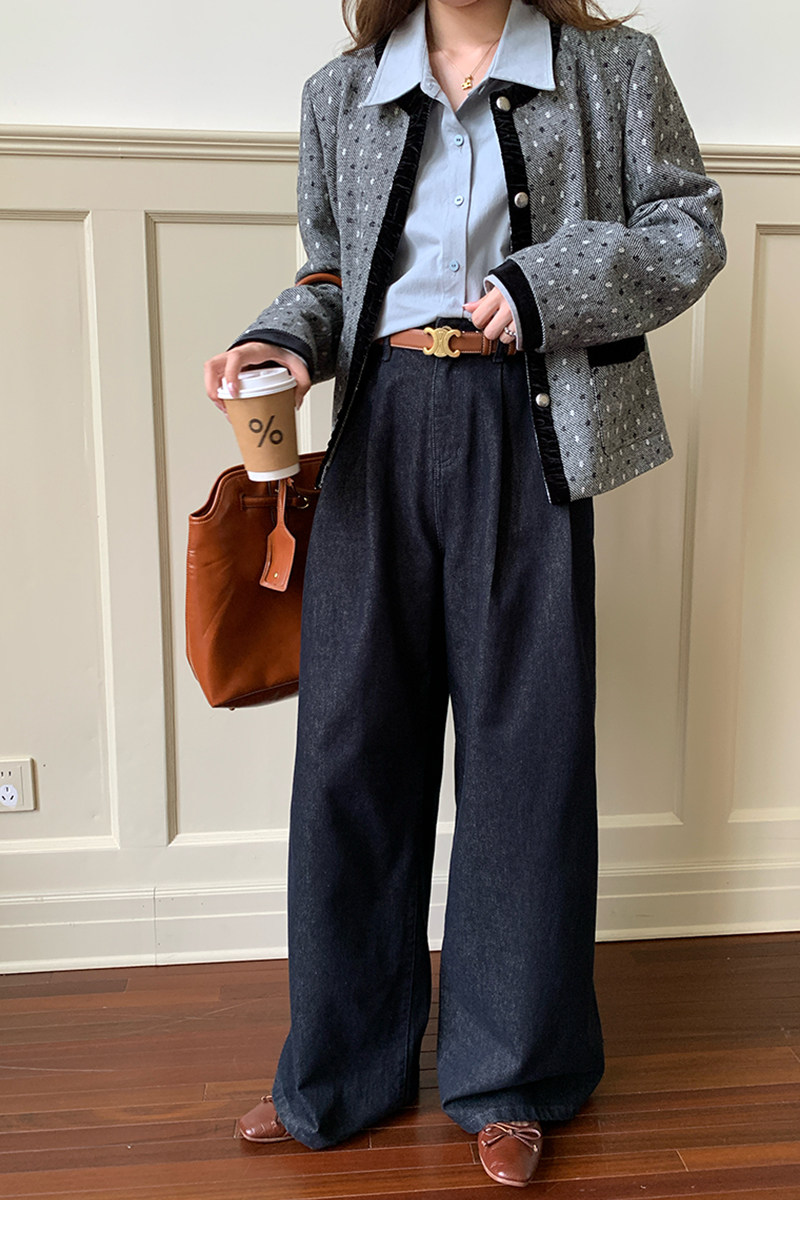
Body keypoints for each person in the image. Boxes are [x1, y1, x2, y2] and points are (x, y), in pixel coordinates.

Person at [203, 0, 726, 1189]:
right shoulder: (340, 92)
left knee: (523, 754)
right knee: (348, 751)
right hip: (379, 427)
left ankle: (512, 1076)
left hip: (525, 425)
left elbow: (686, 226)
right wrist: (278, 341)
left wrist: (545, 285)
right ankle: (337, 1070)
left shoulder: (611, 69)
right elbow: (331, 272)